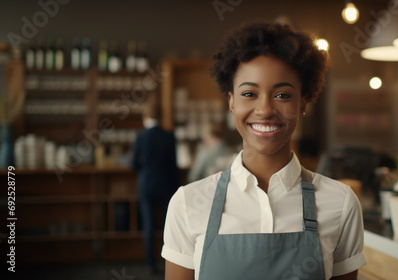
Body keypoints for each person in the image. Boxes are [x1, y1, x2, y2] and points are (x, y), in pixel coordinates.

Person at [162, 22, 366, 280]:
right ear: (232, 102)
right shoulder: (187, 203)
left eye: (282, 95)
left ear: (303, 103)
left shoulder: (341, 203)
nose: (265, 109)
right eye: (249, 93)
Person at [131, 104, 180, 274]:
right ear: (160, 116)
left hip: (147, 187)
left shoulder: (140, 137)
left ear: (145, 116)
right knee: (170, 227)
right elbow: (174, 165)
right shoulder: (168, 136)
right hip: (167, 186)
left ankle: (150, 264)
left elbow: (133, 164)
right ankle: (171, 263)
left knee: (149, 225)